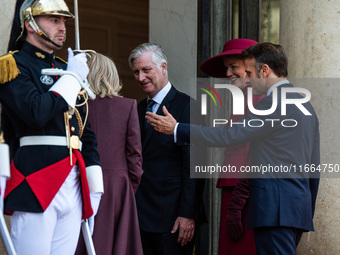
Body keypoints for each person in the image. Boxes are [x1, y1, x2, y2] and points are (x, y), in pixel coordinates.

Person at [146, 42, 320, 255]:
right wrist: (304, 210)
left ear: (264, 71)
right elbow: (314, 168)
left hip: (274, 210)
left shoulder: (274, 101)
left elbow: (230, 135)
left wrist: (178, 128)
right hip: (294, 210)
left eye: (249, 71)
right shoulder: (305, 104)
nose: (246, 77)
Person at [0, 0, 104, 254]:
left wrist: (95, 186)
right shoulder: (13, 65)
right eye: (54, 20)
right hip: (36, 180)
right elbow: (35, 112)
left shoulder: (65, 68)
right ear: (31, 24)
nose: (62, 28)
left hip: (74, 181)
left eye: (64, 21)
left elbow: (84, 131)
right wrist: (71, 78)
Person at [128, 43, 203, 255]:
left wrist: (188, 214)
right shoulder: (138, 108)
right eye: (136, 72)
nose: (140, 77)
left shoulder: (188, 106)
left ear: (163, 67)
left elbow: (195, 164)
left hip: (173, 219)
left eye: (146, 70)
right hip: (140, 216)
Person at [75, 52, 144, 255]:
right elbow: (135, 155)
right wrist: (127, 188)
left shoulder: (76, 106)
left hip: (81, 183)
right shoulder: (128, 106)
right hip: (118, 186)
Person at [200, 38, 261, 255]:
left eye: (233, 67)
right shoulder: (244, 97)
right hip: (237, 190)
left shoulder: (262, 99)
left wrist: (238, 203)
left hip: (247, 193)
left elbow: (257, 156)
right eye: (227, 68)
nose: (228, 74)